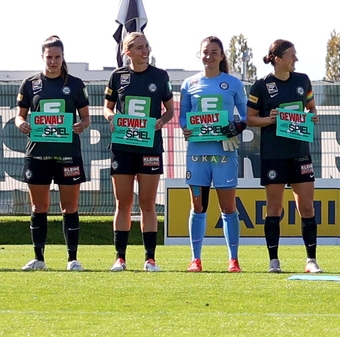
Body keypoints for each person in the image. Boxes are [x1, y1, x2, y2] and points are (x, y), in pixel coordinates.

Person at [14, 36, 90, 272]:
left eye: (57, 57)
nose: (54, 61)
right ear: (42, 57)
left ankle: (72, 259)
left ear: (63, 57)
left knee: (69, 207)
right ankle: (39, 258)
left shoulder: (75, 84)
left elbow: (86, 117)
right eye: (49, 57)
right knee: (39, 207)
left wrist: (82, 124)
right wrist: (20, 124)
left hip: (67, 152)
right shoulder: (30, 84)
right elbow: (20, 115)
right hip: (38, 153)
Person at [246, 39, 320, 274]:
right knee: (274, 208)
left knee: (306, 207)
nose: (295, 59)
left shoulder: (302, 80)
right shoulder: (261, 85)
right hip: (274, 155)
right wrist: (270, 118)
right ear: (277, 59)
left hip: (300, 153)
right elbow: (250, 118)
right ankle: (274, 261)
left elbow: (311, 108)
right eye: (291, 55)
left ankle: (311, 260)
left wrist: (313, 116)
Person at [104, 32, 174, 272]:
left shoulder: (160, 76)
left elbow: (169, 110)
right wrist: (111, 117)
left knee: (148, 203)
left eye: (147, 46)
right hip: (123, 146)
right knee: (123, 203)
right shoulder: (118, 76)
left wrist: (161, 121)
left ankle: (150, 259)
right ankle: (120, 258)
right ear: (128, 52)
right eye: (140, 48)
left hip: (150, 146)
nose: (145, 51)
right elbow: (107, 107)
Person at [178, 36, 247, 273]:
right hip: (197, 153)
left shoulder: (233, 83)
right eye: (206, 52)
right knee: (198, 208)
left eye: (214, 52)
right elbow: (183, 115)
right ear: (200, 54)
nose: (209, 56)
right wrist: (186, 127)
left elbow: (246, 115)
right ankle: (195, 259)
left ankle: (233, 260)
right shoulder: (189, 84)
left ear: (222, 55)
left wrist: (237, 126)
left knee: (228, 208)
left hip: (224, 153)